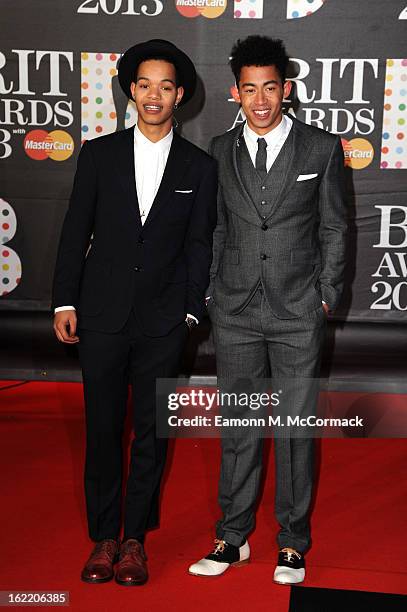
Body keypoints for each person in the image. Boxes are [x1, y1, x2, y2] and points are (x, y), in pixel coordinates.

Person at [52, 39, 217, 586]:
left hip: (164, 323)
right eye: (144, 84)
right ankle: (103, 538)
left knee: (152, 434)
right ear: (131, 90)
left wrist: (191, 315)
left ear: (180, 96)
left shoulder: (201, 166)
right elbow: (76, 232)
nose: (154, 94)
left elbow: (200, 246)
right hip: (99, 315)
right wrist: (65, 299)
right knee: (102, 429)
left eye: (165, 86)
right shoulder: (98, 154)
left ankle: (134, 542)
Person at [189, 35, 346, 584]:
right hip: (233, 311)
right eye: (249, 89)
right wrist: (210, 291)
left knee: (296, 430)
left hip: (298, 311)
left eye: (270, 88)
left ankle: (292, 542)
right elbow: (214, 228)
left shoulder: (321, 148)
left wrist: (325, 294)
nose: (260, 100)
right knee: (239, 426)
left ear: (287, 89)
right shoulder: (217, 150)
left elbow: (333, 226)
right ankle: (232, 537)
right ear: (236, 92)